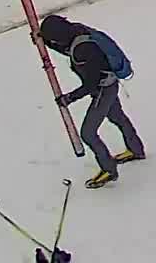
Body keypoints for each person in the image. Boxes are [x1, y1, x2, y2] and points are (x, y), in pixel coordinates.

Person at [38, 14, 144, 187]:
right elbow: (66, 48)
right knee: (117, 117)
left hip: (103, 89)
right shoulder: (77, 32)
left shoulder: (82, 49)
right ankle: (136, 149)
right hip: (108, 83)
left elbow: (91, 84)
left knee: (88, 133)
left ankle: (109, 170)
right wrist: (44, 41)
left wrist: (69, 98)